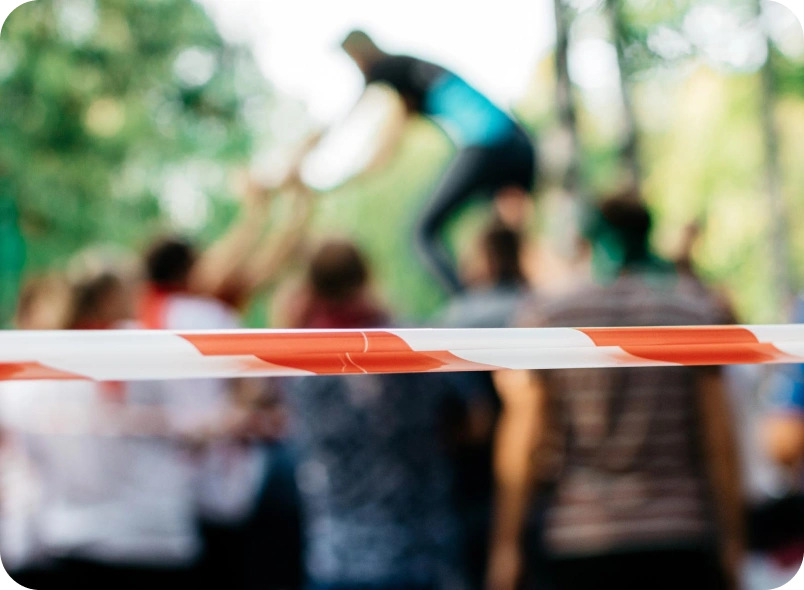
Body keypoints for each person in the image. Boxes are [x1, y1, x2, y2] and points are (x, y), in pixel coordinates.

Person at [487, 196, 744, 590]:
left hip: (580, 534)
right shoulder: (691, 315)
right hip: (678, 534)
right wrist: (733, 538)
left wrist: (506, 545)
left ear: (588, 241)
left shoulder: (550, 318)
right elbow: (718, 437)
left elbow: (525, 437)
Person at [281, 239, 470, 590]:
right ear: (367, 277)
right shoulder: (413, 343)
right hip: (419, 550)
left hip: (337, 554)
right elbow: (468, 419)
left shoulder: (295, 359)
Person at [339, 30, 537, 295]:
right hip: (521, 143)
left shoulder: (384, 70)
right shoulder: (411, 67)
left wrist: (356, 172)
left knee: (423, 232)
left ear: (358, 54)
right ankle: (517, 294)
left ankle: (466, 300)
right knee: (505, 234)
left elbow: (381, 132)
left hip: (487, 142)